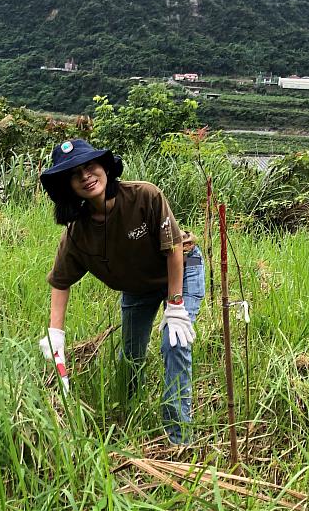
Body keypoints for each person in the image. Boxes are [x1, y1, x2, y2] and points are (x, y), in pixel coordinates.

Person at [38, 139, 205, 445]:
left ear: (105, 167)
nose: (86, 176)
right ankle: (128, 416)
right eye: (76, 175)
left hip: (180, 271)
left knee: (174, 342)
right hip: (136, 287)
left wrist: (176, 304)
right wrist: (56, 334)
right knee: (130, 356)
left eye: (91, 166)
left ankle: (178, 438)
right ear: (68, 187)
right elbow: (61, 281)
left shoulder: (144, 196)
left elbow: (174, 248)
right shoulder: (77, 234)